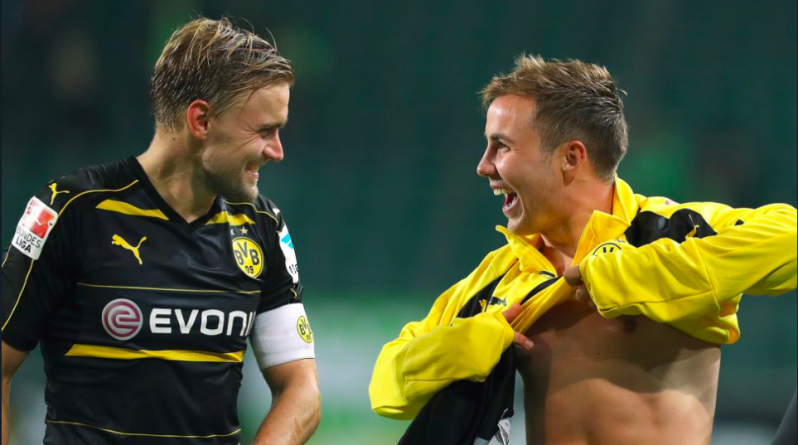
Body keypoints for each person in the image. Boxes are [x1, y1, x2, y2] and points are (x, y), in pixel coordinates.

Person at [369, 55, 796, 444]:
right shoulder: (502, 278)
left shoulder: (669, 231)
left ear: (571, 158)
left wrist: (625, 275)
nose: (484, 165)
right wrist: (461, 347)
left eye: (501, 146)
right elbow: (386, 387)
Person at [2, 17, 320, 445]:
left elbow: (301, 387)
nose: (277, 151)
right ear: (201, 121)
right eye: (264, 130)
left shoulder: (263, 226)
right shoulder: (72, 209)